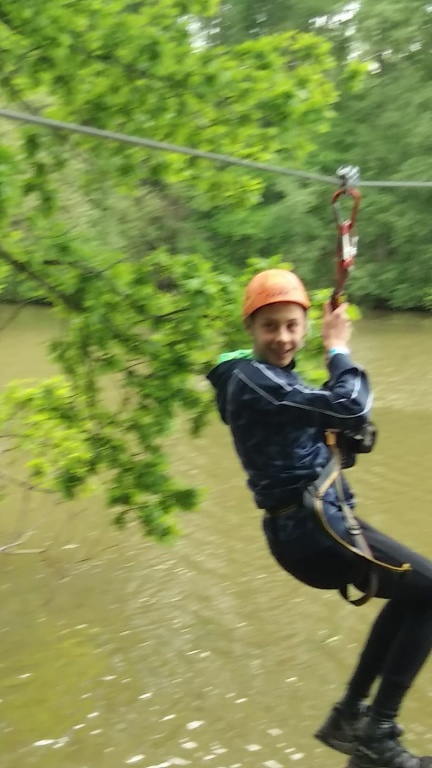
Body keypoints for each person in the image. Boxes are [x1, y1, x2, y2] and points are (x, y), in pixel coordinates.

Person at [207, 268, 432, 768]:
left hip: (320, 524)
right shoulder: (251, 378)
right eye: (270, 327)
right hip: (311, 531)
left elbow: (334, 423)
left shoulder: (276, 380)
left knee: (418, 593)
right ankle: (373, 728)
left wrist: (338, 439)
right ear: (250, 329)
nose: (283, 337)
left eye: (292, 325)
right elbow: (349, 404)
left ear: (302, 325)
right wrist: (338, 349)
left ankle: (354, 718)